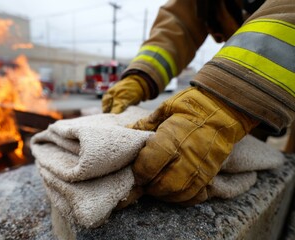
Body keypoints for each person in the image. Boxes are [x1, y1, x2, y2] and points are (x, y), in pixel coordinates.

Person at [102, 0, 295, 206]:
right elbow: (179, 23)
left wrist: (224, 103)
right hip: (261, 96)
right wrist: (141, 76)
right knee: (244, 156)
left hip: (262, 91)